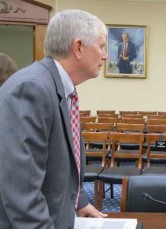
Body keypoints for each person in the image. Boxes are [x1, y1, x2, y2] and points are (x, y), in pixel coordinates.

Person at [0, 9, 108, 228]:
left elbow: (60, 159)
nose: (105, 56)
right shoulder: (33, 89)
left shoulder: (57, 85)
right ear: (78, 47)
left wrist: (79, 201)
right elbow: (21, 191)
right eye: (102, 46)